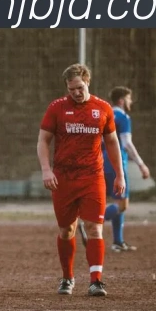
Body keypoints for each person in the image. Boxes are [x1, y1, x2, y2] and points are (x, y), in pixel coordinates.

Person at [37, 63, 125, 297]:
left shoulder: (103, 109)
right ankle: (67, 278)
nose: (76, 92)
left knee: (94, 228)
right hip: (63, 179)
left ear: (88, 82)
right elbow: (43, 140)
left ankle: (96, 280)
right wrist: (46, 170)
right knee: (67, 230)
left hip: (92, 177)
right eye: (71, 89)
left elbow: (113, 142)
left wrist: (119, 174)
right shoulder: (56, 108)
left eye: (79, 87)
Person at [100, 86, 150, 252]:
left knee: (117, 201)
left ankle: (118, 241)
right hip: (117, 163)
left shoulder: (104, 115)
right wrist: (142, 164)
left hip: (101, 162)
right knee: (122, 205)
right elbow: (127, 144)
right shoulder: (123, 117)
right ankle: (91, 223)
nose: (131, 102)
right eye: (129, 98)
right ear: (121, 100)